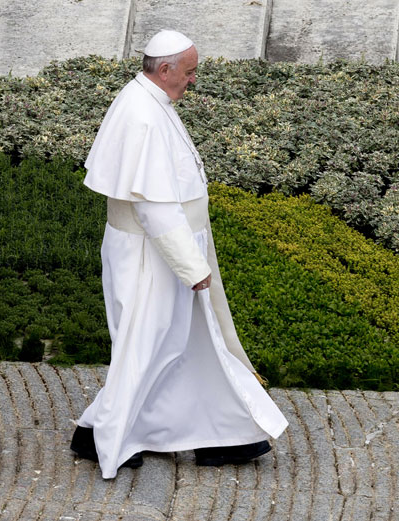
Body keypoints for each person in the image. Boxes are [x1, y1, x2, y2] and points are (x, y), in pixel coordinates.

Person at [70, 29, 288, 479]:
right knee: (147, 347)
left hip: (164, 251)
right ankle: (100, 436)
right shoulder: (144, 115)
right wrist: (192, 267)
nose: (193, 81)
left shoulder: (149, 101)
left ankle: (223, 434)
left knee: (187, 343)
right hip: (153, 257)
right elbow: (152, 205)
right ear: (165, 69)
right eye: (188, 72)